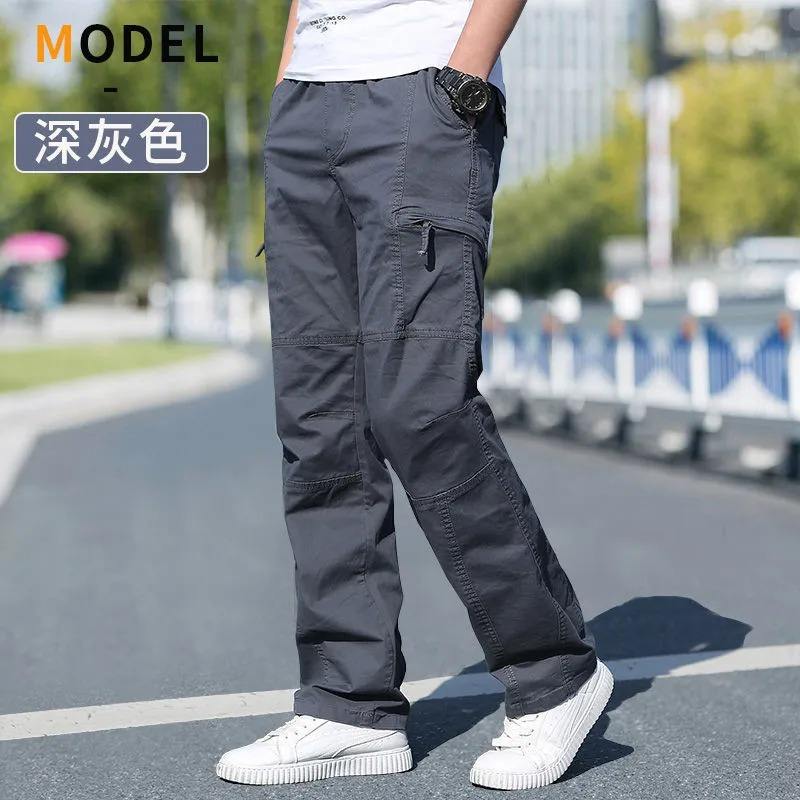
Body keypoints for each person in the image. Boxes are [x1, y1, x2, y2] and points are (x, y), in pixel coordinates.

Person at [216, 0, 612, 790]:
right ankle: (348, 704)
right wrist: (292, 77)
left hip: (423, 89)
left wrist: (463, 77)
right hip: (308, 99)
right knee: (320, 419)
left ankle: (553, 674)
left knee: (420, 405)